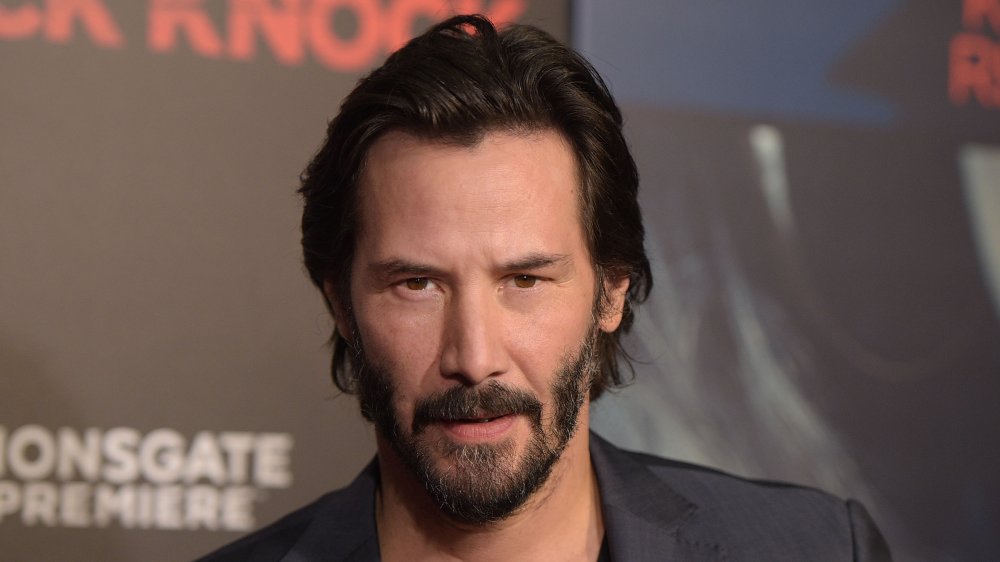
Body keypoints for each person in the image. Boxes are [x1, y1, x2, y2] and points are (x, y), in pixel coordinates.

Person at [199, 14, 892, 562]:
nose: (473, 357)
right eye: (417, 284)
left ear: (611, 293)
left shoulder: (819, 548)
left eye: (525, 279)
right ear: (341, 306)